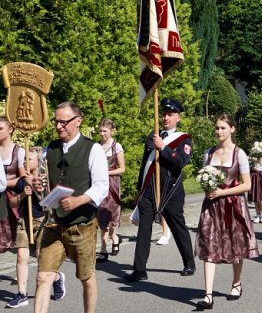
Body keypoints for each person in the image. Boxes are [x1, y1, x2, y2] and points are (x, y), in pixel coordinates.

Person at [33, 101, 108, 313]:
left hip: (81, 225)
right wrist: (39, 184)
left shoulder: (92, 149)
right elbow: (44, 181)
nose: (59, 126)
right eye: (56, 122)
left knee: (86, 278)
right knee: (42, 277)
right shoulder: (50, 148)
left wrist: (78, 200)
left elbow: (102, 186)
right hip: (54, 224)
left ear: (78, 121)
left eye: (64, 122)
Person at [125, 98, 195, 282]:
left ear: (178, 118)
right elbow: (145, 164)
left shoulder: (183, 139)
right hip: (149, 190)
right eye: (164, 114)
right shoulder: (153, 135)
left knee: (178, 227)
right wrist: (139, 189)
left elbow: (180, 162)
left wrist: (163, 148)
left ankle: (189, 263)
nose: (166, 117)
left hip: (170, 190)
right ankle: (139, 269)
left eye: (170, 115)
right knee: (144, 229)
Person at [195, 114, 258, 310]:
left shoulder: (239, 153)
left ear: (232, 129)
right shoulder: (208, 153)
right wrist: (207, 189)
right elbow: (204, 179)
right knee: (208, 246)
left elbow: (247, 185)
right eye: (217, 128)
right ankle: (208, 295)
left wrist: (224, 191)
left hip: (233, 205)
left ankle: (236, 283)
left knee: (235, 244)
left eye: (223, 127)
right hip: (211, 207)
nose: (219, 131)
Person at [96, 118, 125, 262]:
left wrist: (105, 172)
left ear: (111, 131)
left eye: (105, 131)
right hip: (98, 184)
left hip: (112, 184)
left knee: (111, 214)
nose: (102, 134)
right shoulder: (96, 146)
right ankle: (103, 248)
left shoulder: (116, 146)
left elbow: (122, 168)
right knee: (101, 214)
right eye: (100, 131)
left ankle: (115, 237)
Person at [0, 116, 26, 254]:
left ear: (10, 130)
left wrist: (3, 183)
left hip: (12, 198)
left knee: (14, 239)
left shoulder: (19, 151)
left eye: (0, 128)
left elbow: (23, 178)